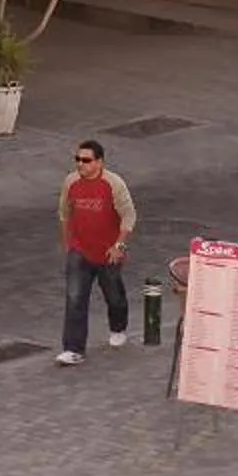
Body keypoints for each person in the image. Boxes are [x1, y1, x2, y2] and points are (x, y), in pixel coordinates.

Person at [54, 138, 136, 365]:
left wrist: (118, 245)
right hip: (79, 250)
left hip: (108, 251)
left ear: (99, 162)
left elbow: (129, 216)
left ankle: (118, 327)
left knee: (114, 296)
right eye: (78, 159)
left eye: (86, 160)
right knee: (74, 298)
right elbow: (64, 213)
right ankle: (73, 348)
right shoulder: (70, 182)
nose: (80, 164)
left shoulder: (114, 184)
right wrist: (67, 243)